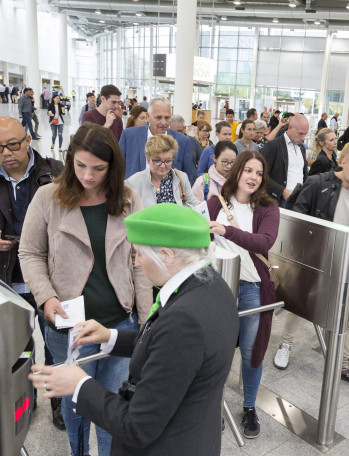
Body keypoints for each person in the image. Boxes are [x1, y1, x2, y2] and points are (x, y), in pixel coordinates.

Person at [29, 203, 240, 455]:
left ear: (166, 255)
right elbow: (171, 351)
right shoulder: (211, 285)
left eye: (140, 253)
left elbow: (137, 427)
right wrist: (111, 337)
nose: (137, 262)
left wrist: (80, 384)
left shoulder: (184, 321)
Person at [19, 123, 152, 456]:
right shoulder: (49, 197)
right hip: (68, 326)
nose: (88, 176)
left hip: (118, 323)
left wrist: (147, 318)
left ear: (113, 167)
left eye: (98, 168)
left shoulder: (127, 198)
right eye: (80, 165)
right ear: (69, 159)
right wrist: (45, 296)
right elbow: (30, 252)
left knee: (114, 406)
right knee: (76, 404)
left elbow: (139, 260)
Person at [273, 145, 349, 380]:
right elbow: (297, 217)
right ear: (343, 161)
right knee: (301, 302)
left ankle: (344, 361)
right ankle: (286, 344)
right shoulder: (317, 183)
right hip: (316, 255)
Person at [207, 150, 280, 438]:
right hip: (219, 287)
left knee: (252, 353)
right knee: (217, 353)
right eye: (248, 170)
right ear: (237, 171)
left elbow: (264, 241)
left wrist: (226, 230)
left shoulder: (268, 209)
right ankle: (213, 407)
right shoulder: (214, 203)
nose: (253, 177)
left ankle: (249, 407)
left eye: (259, 173)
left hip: (253, 288)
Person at [0, 116, 64, 428]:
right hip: (7, 279)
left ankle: (57, 399)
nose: (6, 152)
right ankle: (24, 398)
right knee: (16, 349)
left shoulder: (55, 172)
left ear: (27, 140)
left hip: (51, 278)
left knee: (57, 343)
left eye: (12, 144)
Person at [119, 98, 194, 183]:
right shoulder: (129, 136)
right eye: (158, 117)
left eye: (167, 118)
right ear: (148, 117)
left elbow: (188, 178)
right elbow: (118, 168)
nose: (163, 122)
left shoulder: (183, 141)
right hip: (134, 194)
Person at [126, 134, 198, 208]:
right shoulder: (133, 183)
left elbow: (195, 207)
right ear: (148, 158)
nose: (163, 166)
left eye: (168, 161)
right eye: (157, 160)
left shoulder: (181, 177)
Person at [261, 113, 308, 206]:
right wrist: (282, 191)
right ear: (290, 127)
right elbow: (261, 174)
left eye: (305, 134)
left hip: (299, 199)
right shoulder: (273, 146)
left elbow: (303, 173)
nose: (303, 138)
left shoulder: (301, 148)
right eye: (300, 134)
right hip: (280, 200)